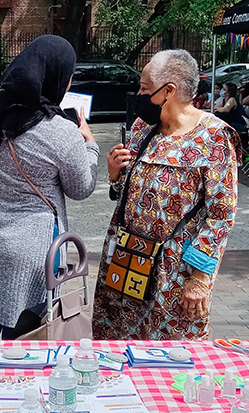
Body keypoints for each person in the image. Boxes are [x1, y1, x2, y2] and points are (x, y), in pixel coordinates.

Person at [0, 35, 99, 339]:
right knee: (23, 348)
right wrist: (90, 145)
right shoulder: (62, 133)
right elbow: (81, 188)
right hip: (29, 254)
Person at [93, 49, 239, 340]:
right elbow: (127, 193)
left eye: (144, 88)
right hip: (127, 258)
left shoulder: (213, 137)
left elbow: (221, 215)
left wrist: (200, 278)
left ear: (168, 91)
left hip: (175, 270)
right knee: (116, 342)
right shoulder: (142, 128)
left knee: (171, 349)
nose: (138, 95)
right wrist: (114, 176)